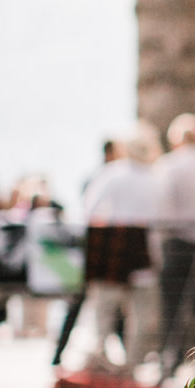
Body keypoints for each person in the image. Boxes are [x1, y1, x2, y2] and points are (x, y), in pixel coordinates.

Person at [82, 122, 161, 370]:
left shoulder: (112, 174)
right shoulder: (155, 179)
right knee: (140, 314)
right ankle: (131, 366)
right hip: (142, 254)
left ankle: (100, 358)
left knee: (104, 310)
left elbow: (90, 210)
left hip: (113, 253)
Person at [153, 112, 195, 378]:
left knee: (172, 303)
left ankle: (171, 357)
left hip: (176, 241)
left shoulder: (169, 165)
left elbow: (161, 207)